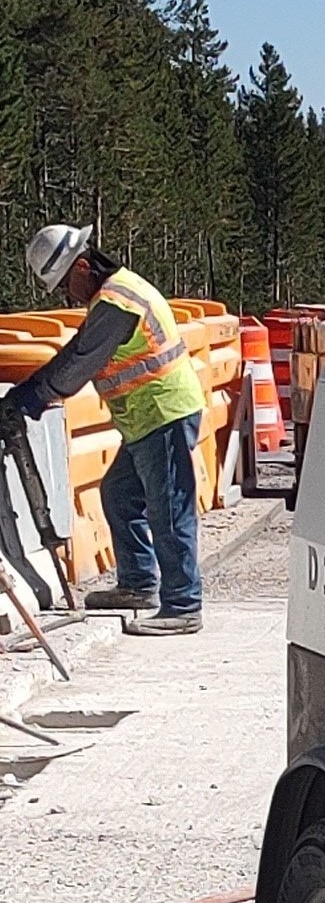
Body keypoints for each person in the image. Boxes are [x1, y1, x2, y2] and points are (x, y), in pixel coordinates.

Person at [8, 226, 208, 636]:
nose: (67, 295)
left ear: (82, 265)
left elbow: (78, 363)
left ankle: (183, 604)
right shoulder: (110, 298)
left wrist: (25, 399)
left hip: (163, 413)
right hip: (144, 420)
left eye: (65, 284)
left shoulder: (118, 302)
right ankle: (138, 583)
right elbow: (76, 354)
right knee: (118, 495)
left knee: (168, 508)